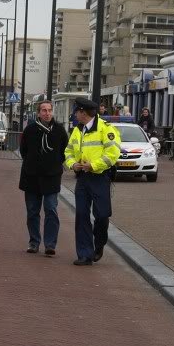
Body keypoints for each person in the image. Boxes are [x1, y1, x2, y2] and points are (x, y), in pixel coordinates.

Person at [64, 97, 122, 266]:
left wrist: (93, 165)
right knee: (81, 215)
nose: (75, 114)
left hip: (100, 177)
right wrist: (72, 164)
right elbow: (68, 151)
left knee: (102, 215)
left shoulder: (106, 129)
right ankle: (84, 254)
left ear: (83, 112)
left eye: (77, 111)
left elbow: (113, 153)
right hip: (82, 178)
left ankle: (99, 244)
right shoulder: (77, 130)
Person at [19, 100, 68, 256]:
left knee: (51, 210)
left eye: (49, 110)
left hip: (51, 177)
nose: (47, 113)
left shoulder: (60, 130)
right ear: (38, 113)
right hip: (31, 177)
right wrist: (32, 164)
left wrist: (53, 165)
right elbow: (23, 151)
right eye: (44, 110)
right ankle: (34, 242)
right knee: (32, 211)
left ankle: (50, 244)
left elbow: (64, 152)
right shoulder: (30, 130)